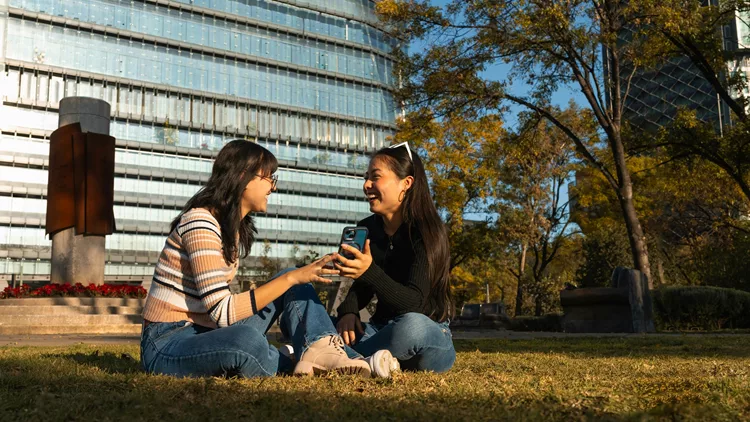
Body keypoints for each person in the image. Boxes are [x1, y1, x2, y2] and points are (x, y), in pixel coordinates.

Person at [140, 139, 398, 378]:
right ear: (242, 177)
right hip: (168, 342)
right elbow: (222, 312)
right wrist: (290, 277)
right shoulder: (200, 222)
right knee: (247, 340)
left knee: (296, 285)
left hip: (207, 332)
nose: (272, 187)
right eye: (268, 178)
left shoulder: (232, 228)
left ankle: (328, 352)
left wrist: (294, 278)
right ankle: (301, 359)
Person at [333, 142, 456, 373]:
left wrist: (369, 271)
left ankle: (337, 356)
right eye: (366, 177)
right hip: (380, 331)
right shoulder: (368, 228)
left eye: (375, 177)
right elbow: (362, 286)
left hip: (426, 333)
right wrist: (348, 311)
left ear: (406, 183)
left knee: (411, 327)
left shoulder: (427, 231)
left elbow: (415, 304)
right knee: (313, 310)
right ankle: (368, 360)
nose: (366, 185)